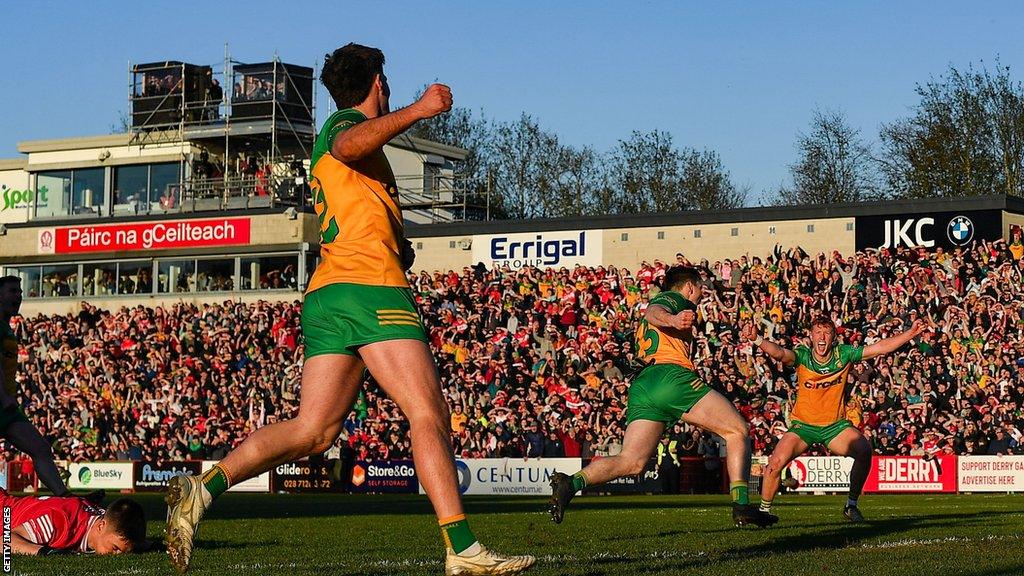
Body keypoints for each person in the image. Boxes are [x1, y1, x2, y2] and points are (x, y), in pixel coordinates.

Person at [165, 43, 534, 575]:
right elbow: (348, 142)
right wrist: (420, 109)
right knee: (427, 414)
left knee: (313, 431)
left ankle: (204, 488)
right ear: (378, 83)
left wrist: (396, 242)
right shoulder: (343, 127)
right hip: (369, 289)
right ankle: (463, 549)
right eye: (387, 84)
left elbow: (354, 184)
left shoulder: (354, 152)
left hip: (330, 292)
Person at [548, 266, 778, 527]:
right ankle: (741, 504)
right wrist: (673, 320)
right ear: (689, 286)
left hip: (644, 385)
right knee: (737, 430)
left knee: (632, 461)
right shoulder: (675, 299)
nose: (703, 293)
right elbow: (653, 311)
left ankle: (572, 482)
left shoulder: (675, 307)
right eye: (701, 287)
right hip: (670, 377)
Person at [743, 315, 926, 522]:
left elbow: (880, 348)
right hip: (803, 426)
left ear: (833, 337)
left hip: (834, 426)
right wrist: (757, 339)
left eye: (827, 333)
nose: (822, 337)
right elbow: (780, 354)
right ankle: (765, 513)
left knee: (864, 451)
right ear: (810, 336)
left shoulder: (844, 354)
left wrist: (910, 333)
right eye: (818, 333)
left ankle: (851, 505)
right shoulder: (803, 356)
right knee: (774, 464)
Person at [0, 276, 72, 496]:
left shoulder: (6, 327)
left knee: (40, 448)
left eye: (20, 291)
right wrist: (4, 396)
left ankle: (65, 499)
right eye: (12, 290)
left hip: (6, 409)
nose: (19, 295)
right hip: (3, 403)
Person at [2, 489, 146, 555]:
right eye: (115, 548)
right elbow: (5, 541)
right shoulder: (59, 522)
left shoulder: (104, 518)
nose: (118, 557)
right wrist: (45, 552)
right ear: (101, 526)